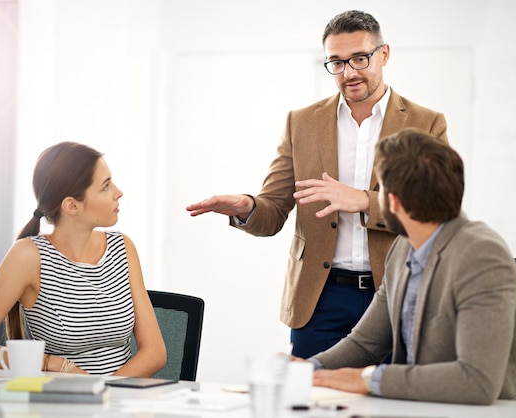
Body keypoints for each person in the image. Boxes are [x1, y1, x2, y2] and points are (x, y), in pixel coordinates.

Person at [186, 10, 448, 358]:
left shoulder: (426, 123)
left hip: (397, 291)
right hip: (320, 299)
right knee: (310, 405)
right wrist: (247, 208)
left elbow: (437, 212)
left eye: (359, 58)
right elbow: (274, 210)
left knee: (391, 403)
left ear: (384, 54)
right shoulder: (302, 123)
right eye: (336, 63)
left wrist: (364, 201)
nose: (349, 73)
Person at [307, 128, 516, 404]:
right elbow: (365, 344)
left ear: (393, 202)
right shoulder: (403, 247)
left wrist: (367, 380)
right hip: (427, 407)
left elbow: (477, 381)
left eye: (379, 189)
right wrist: (310, 369)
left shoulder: (482, 256)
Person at [0, 142, 167, 376]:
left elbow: (155, 353)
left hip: (118, 403)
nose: (119, 192)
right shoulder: (28, 257)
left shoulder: (123, 248)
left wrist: (103, 393)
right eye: (105, 186)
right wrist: (50, 363)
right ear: (71, 205)